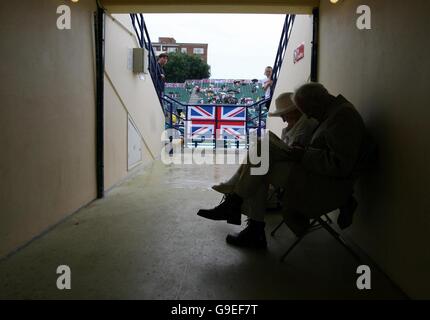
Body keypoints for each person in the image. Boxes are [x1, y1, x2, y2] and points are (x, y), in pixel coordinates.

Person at [197, 83, 366, 249]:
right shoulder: (333, 113)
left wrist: (304, 153)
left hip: (323, 184)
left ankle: (239, 209)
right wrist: (303, 151)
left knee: (261, 165)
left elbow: (341, 165)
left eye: (308, 112)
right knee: (261, 158)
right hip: (313, 174)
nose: (309, 116)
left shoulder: (341, 117)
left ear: (317, 103)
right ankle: (240, 211)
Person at [197, 92, 318, 248]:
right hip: (287, 169)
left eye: (284, 114)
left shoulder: (308, 124)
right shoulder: (292, 128)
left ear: (294, 110)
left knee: (260, 156)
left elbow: (299, 154)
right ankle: (251, 226)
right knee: (258, 170)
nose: (282, 119)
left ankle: (234, 201)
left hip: (297, 174)